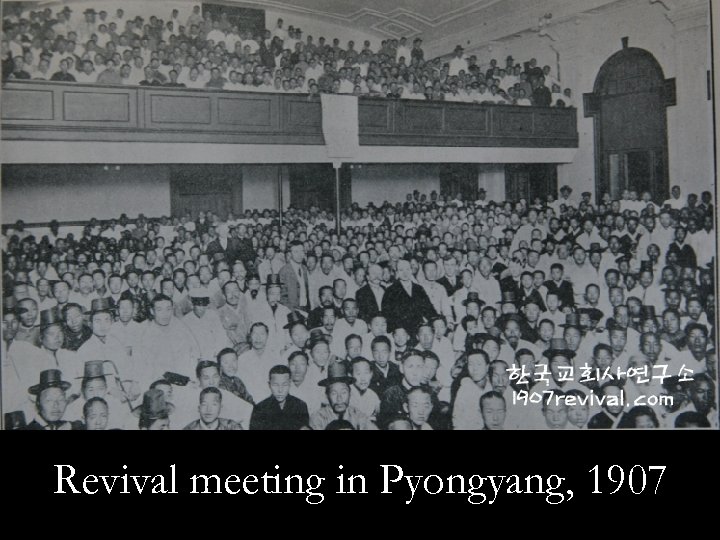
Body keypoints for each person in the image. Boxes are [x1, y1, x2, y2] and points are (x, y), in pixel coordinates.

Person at [309, 362, 377, 430]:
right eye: (334, 393)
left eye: (344, 392)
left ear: (350, 394)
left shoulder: (357, 415)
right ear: (327, 396)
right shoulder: (318, 418)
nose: (339, 398)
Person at [250, 365, 309, 430]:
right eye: (275, 385)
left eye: (284, 385)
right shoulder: (260, 409)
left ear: (290, 384)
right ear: (269, 385)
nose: (280, 390)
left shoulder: (300, 406)